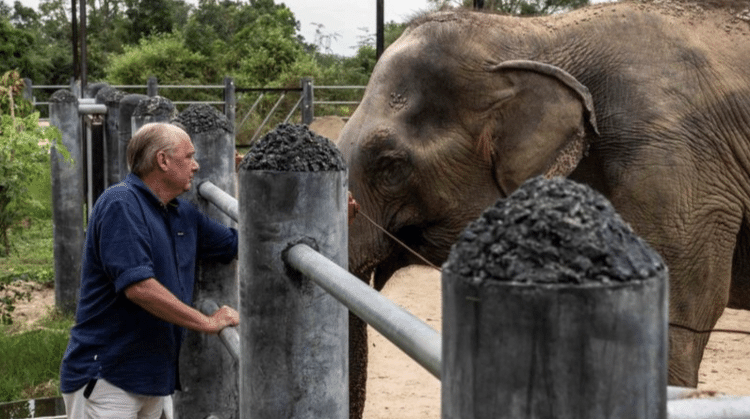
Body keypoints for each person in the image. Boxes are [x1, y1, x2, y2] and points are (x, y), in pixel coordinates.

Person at [60, 122, 239, 419]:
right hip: (108, 380)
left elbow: (240, 243)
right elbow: (140, 287)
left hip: (152, 380)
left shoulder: (181, 214)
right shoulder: (121, 204)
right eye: (189, 156)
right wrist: (206, 322)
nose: (195, 166)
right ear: (163, 160)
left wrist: (337, 220)